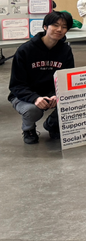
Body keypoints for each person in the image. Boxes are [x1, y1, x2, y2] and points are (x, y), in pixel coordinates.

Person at [7, 11, 75, 144]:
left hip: (51, 93)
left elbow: (67, 78)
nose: (59, 29)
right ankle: (29, 129)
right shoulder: (25, 50)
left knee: (74, 99)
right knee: (32, 110)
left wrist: (58, 94)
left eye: (64, 26)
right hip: (25, 95)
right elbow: (16, 85)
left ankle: (53, 124)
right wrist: (35, 98)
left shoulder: (65, 50)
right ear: (45, 26)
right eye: (55, 25)